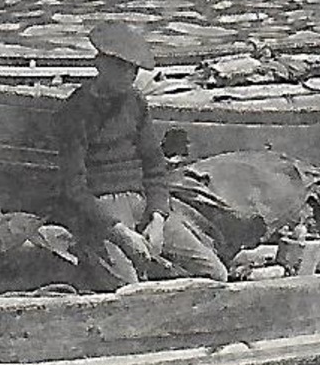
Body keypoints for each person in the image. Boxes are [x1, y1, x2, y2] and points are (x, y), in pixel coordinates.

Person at [57, 22, 227, 290]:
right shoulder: (75, 112)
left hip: (142, 204)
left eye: (135, 69)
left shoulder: (136, 103)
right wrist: (121, 233)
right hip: (104, 211)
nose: (132, 76)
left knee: (215, 274)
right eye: (124, 68)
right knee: (130, 289)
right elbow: (74, 189)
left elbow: (155, 169)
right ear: (101, 64)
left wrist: (158, 217)